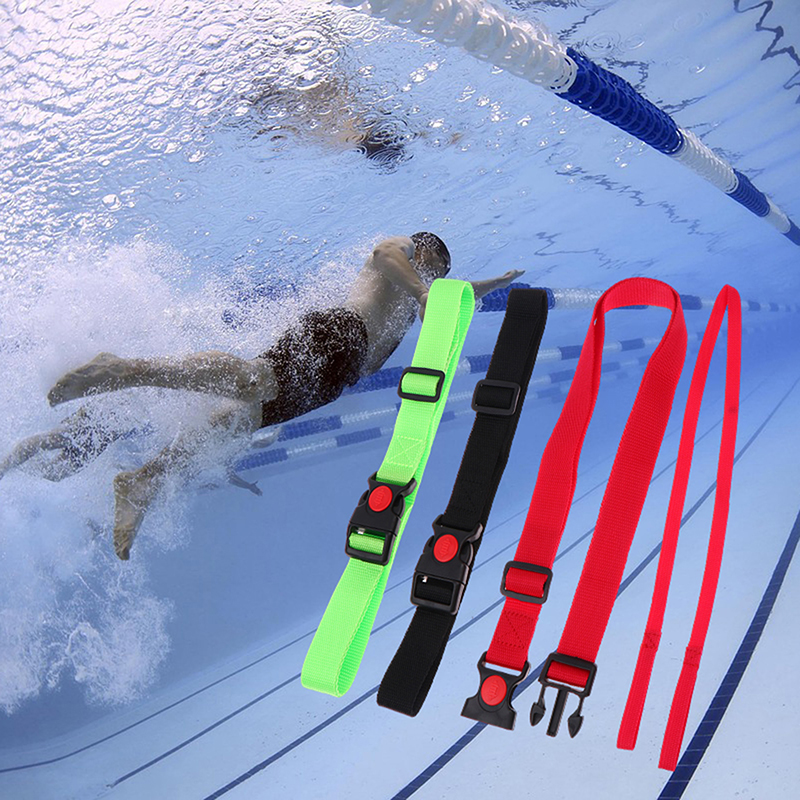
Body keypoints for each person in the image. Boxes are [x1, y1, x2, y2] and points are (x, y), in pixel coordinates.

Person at [6, 234, 523, 560]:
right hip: (339, 334)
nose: (433, 277)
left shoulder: (423, 295)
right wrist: (422, 290)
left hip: (334, 379)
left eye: (438, 275)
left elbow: (457, 294)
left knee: (234, 423)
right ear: (421, 250)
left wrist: (491, 284)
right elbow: (385, 256)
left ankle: (145, 479)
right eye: (431, 266)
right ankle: (122, 371)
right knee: (253, 382)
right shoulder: (402, 256)